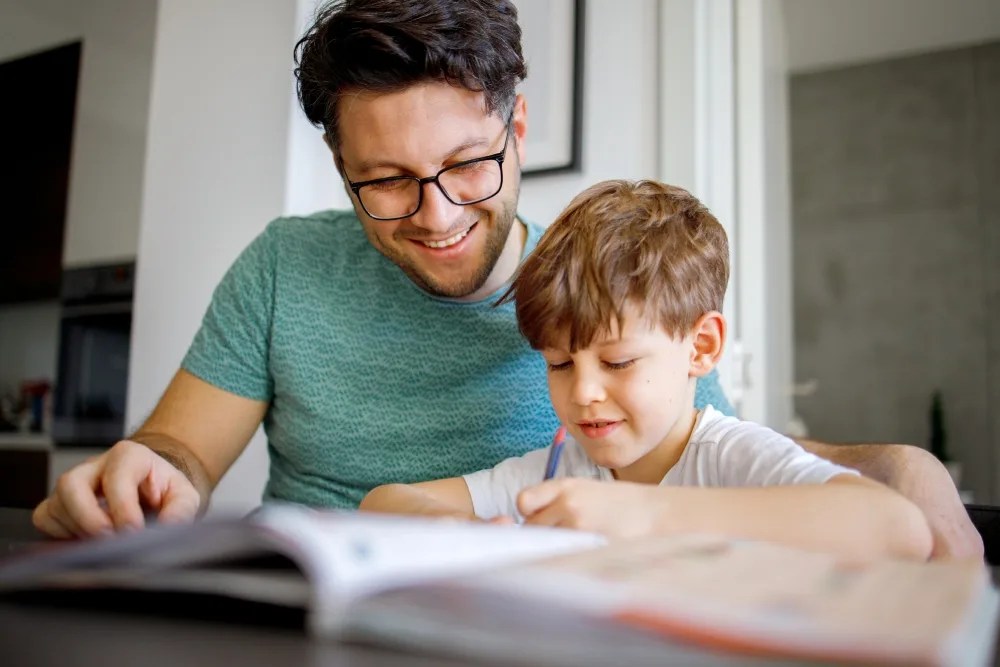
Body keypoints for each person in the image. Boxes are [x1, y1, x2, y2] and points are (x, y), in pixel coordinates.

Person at [31, 0, 980, 560]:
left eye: (468, 165)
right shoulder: (283, 264)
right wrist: (150, 474)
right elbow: (182, 457)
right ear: (339, 166)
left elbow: (711, 448)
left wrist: (890, 462)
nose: (437, 216)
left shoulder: (597, 287)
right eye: (387, 182)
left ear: (518, 130)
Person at [360, 180, 932, 561]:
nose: (582, 392)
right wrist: (463, 533)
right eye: (559, 364)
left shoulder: (730, 455)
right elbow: (383, 503)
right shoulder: (561, 471)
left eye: (618, 361)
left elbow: (897, 528)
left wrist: (641, 512)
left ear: (701, 347)